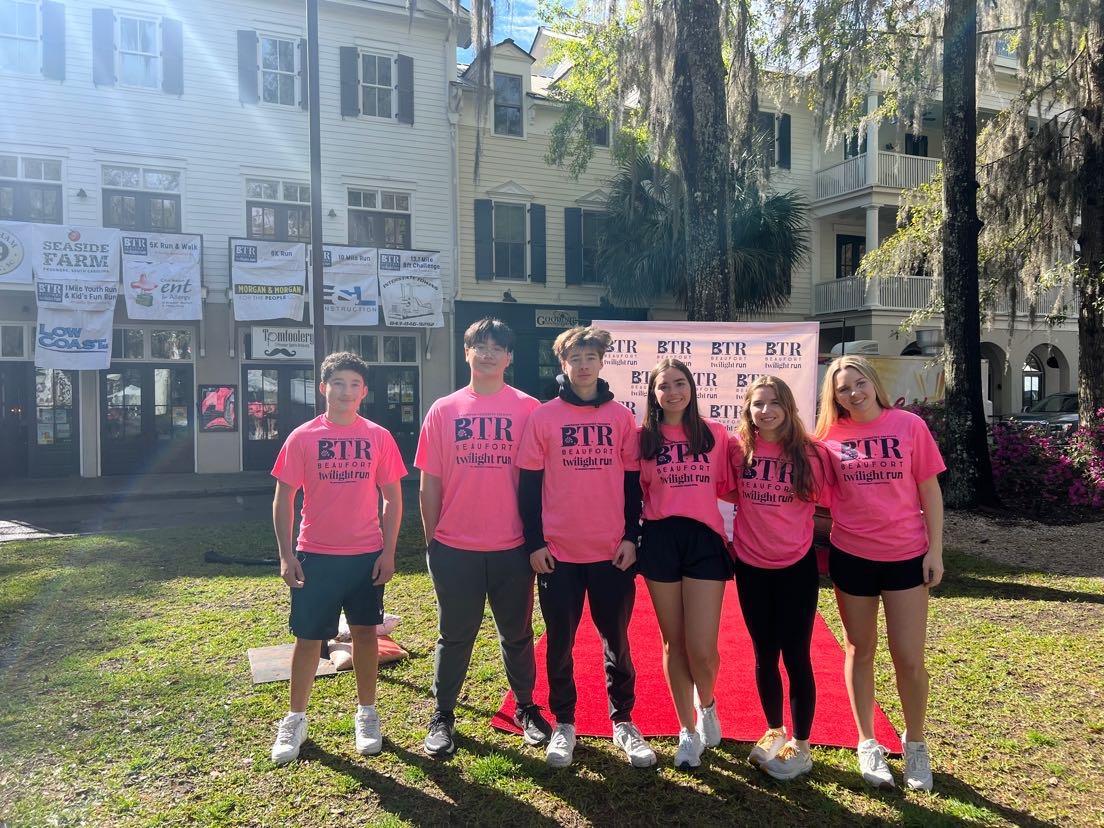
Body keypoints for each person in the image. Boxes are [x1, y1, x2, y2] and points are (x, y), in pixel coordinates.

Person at [516, 325, 656, 769]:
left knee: (617, 640)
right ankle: (564, 723)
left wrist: (632, 537)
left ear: (601, 362)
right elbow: (528, 488)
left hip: (611, 553)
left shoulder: (620, 417)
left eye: (590, 357)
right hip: (558, 555)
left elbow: (633, 485)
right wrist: (534, 543)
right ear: (563, 364)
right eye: (574, 358)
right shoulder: (543, 417)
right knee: (560, 643)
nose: (582, 365)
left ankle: (623, 721)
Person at [414, 318, 552, 757]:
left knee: (517, 634)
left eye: (497, 347)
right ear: (467, 353)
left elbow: (542, 480)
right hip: (455, 547)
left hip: (513, 547)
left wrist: (537, 538)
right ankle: (442, 715)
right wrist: (433, 542)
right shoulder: (444, 410)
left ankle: (526, 707)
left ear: (509, 357)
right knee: (454, 636)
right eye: (480, 346)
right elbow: (429, 483)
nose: (488, 354)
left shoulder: (530, 409)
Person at [269, 351, 406, 765]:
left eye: (354, 385)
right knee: (308, 638)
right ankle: (295, 718)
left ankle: (367, 713)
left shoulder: (378, 436)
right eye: (338, 383)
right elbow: (283, 499)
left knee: (365, 634)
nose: (346, 392)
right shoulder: (303, 437)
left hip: (365, 557)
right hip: (315, 556)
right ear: (323, 388)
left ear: (364, 392)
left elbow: (393, 498)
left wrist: (388, 551)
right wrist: (286, 554)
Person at [815, 355, 945, 792]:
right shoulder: (827, 438)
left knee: (908, 657)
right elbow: (810, 490)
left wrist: (935, 550)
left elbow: (930, 490)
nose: (853, 393)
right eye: (843, 388)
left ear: (873, 382)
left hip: (906, 556)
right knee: (859, 649)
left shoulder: (909, 426)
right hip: (851, 555)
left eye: (859, 383)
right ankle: (867, 742)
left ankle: (915, 744)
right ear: (834, 396)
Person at [730, 375, 832, 781]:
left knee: (796, 656)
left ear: (788, 407)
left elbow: (826, 502)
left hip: (795, 567)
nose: (766, 410)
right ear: (748, 409)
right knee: (764, 654)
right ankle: (774, 729)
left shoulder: (811, 453)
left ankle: (802, 746)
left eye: (774, 402)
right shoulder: (739, 451)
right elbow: (728, 493)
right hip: (750, 567)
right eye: (758, 403)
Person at [637, 358, 733, 770]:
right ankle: (687, 730)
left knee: (702, 648)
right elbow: (633, 492)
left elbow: (733, 486)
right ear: (653, 393)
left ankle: (706, 703)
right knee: (674, 643)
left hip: (704, 540)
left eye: (679, 383)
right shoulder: (642, 439)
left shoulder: (715, 434)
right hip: (660, 539)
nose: (672, 392)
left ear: (692, 388)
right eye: (664, 386)